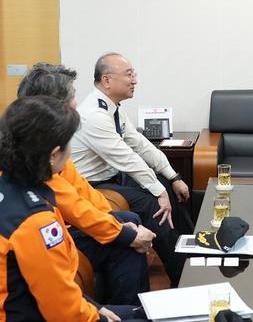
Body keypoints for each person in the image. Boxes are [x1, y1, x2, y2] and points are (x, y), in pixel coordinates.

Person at [0, 63, 154, 305]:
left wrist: (115, 220)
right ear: (51, 108)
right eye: (72, 98)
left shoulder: (44, 146)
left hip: (58, 224)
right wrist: (123, 233)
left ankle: (131, 308)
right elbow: (72, 206)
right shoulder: (31, 159)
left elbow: (80, 190)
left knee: (128, 221)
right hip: (40, 238)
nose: (76, 104)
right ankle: (130, 310)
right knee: (126, 240)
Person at [72, 53, 192, 285]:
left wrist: (173, 176)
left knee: (166, 184)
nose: (134, 80)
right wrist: (159, 193)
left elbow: (140, 144)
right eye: (129, 75)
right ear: (106, 80)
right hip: (94, 185)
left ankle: (195, 247)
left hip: (114, 178)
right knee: (153, 205)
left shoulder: (112, 109)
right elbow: (127, 158)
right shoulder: (93, 115)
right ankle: (183, 277)